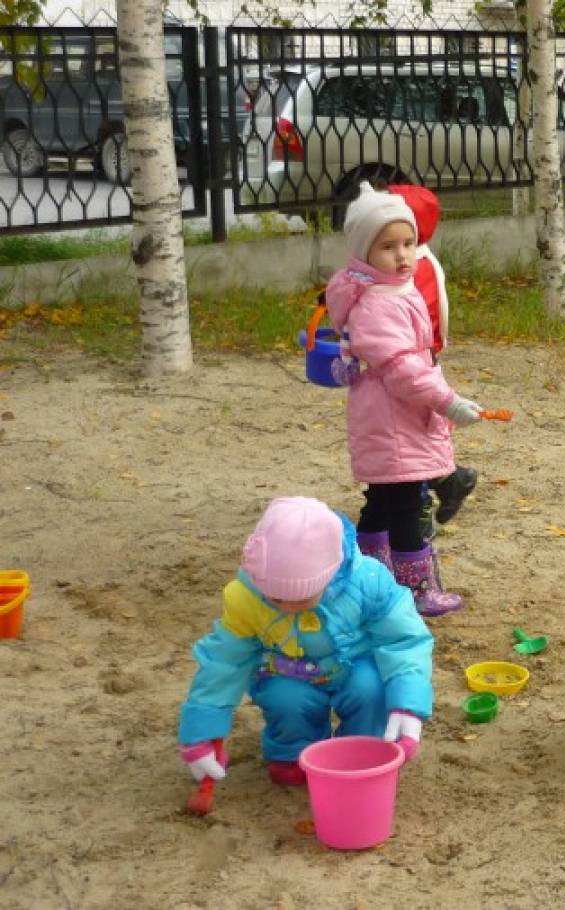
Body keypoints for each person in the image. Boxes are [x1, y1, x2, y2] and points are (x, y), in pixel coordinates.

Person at [177, 496, 434, 788]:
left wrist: (407, 703)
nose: (286, 607)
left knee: (370, 690)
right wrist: (202, 727)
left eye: (300, 598)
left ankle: (368, 749)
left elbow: (404, 638)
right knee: (286, 700)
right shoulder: (246, 597)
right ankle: (293, 755)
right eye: (274, 598)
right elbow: (224, 662)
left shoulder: (368, 581)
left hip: (354, 661)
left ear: (330, 576)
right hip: (287, 669)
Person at [324, 181, 483, 616]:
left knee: (382, 499)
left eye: (409, 243)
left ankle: (365, 576)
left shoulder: (391, 289)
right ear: (363, 253)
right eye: (388, 246)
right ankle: (415, 590)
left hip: (390, 417)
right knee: (408, 504)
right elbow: (402, 370)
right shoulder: (378, 302)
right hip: (395, 419)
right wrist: (446, 401)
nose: (403, 255)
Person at [387, 183, 478, 542]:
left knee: (410, 434)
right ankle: (451, 481)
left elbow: (420, 319)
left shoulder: (415, 266)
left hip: (414, 361)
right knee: (404, 431)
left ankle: (422, 504)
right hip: (405, 359)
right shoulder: (408, 258)